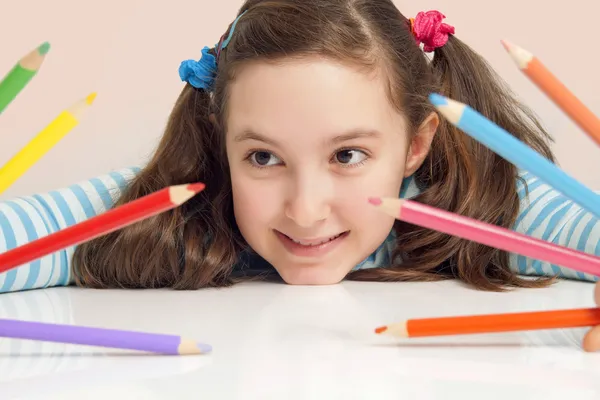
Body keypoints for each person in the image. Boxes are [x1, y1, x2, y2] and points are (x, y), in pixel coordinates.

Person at [1, 0, 600, 347]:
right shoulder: (171, 202)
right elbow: (25, 235)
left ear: (416, 144)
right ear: (220, 141)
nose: (306, 209)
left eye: (347, 156)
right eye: (263, 158)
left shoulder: (480, 204)